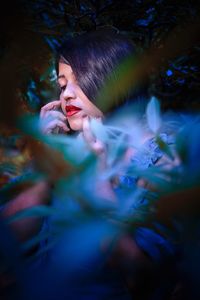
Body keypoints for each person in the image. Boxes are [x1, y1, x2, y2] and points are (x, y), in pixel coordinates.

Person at [1, 28, 178, 300]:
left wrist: (96, 179)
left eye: (78, 79)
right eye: (62, 85)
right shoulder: (68, 155)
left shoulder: (163, 153)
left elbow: (139, 275)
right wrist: (45, 167)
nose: (66, 95)